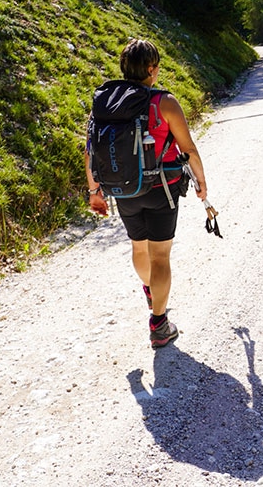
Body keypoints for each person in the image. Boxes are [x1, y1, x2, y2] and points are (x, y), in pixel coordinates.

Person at [85, 38, 209, 349]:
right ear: (152, 69)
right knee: (160, 255)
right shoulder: (164, 102)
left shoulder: (106, 102)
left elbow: (90, 150)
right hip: (161, 189)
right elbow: (188, 148)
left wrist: (94, 191)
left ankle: (152, 292)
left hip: (123, 190)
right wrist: (201, 182)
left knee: (139, 248)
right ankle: (159, 323)